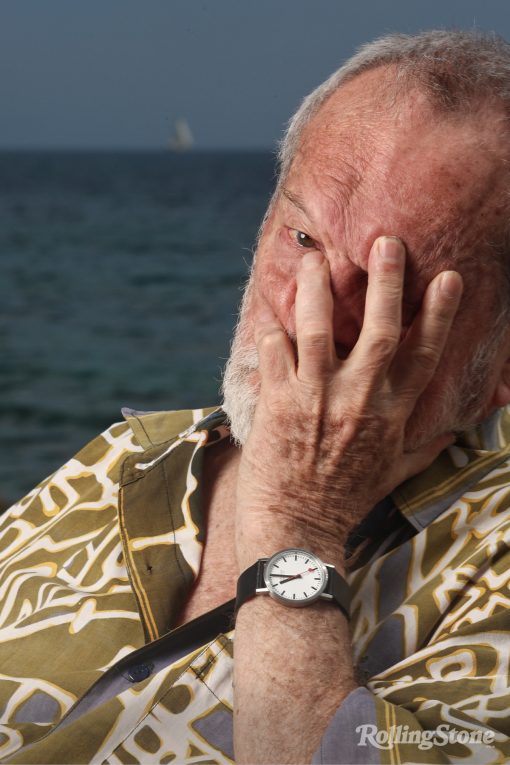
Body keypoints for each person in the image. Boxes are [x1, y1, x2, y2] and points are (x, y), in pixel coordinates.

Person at [1, 28, 510, 765]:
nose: (312, 314)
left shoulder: (493, 556)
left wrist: (299, 520)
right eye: (303, 240)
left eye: (393, 293)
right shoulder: (123, 458)